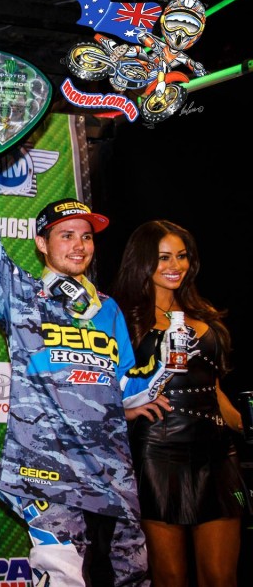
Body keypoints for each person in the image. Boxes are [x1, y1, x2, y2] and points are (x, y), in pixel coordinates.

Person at [0, 114, 167, 587]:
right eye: (66, 235)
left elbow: (127, 389)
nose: (79, 245)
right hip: (48, 475)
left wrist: (165, 365)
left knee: (131, 580)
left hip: (112, 476)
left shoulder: (108, 308)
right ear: (41, 243)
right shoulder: (21, 294)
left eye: (87, 236)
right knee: (66, 581)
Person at [113, 220, 247, 587]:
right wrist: (124, 411)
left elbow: (215, 390)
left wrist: (244, 424)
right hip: (158, 453)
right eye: (163, 257)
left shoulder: (205, 316)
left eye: (182, 256)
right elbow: (103, 387)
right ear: (143, 262)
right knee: (170, 577)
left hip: (218, 455)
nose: (175, 266)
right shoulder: (122, 318)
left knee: (220, 577)